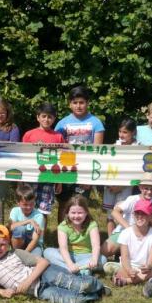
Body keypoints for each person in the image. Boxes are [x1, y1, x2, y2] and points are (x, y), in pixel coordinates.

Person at [0, 225, 110, 303]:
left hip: (45, 274)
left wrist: (27, 282)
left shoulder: (16, 253)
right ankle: (95, 294)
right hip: (39, 291)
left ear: (8, 244)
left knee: (82, 285)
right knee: (77, 301)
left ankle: (99, 286)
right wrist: (1, 292)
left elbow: (44, 262)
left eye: (3, 244)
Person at [54, 85, 105, 221]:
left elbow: (97, 152)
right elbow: (57, 149)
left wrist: (89, 176)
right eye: (75, 102)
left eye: (81, 102)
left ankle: (80, 233)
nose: (78, 106)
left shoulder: (96, 123)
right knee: (64, 204)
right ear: (69, 104)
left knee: (80, 205)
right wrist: (58, 177)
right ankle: (62, 232)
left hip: (84, 170)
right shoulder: (61, 124)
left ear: (87, 103)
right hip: (65, 169)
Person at [105, 199, 152, 287]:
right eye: (137, 213)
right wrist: (129, 270)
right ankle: (145, 277)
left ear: (150, 217)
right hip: (127, 266)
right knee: (107, 266)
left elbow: (151, 260)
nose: (139, 216)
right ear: (133, 215)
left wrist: (148, 266)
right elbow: (125, 257)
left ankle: (126, 280)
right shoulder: (126, 233)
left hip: (145, 269)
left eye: (144, 214)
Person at [43, 194, 107, 274]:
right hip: (69, 256)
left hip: (87, 255)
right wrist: (70, 264)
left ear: (86, 213)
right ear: (67, 213)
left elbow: (95, 245)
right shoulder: (63, 226)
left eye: (80, 213)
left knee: (103, 259)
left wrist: (94, 259)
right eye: (73, 213)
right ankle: (81, 270)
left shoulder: (92, 225)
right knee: (47, 252)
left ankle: (68, 269)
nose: (76, 216)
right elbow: (63, 248)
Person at [21, 102, 65, 218]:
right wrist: (20, 180)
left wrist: (59, 180)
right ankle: (27, 229)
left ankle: (41, 230)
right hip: (31, 177)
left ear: (54, 119)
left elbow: (60, 159)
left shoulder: (58, 137)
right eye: (44, 116)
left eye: (50, 117)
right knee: (27, 206)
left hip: (49, 178)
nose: (46, 119)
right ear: (38, 117)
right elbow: (23, 157)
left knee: (44, 210)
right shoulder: (29, 135)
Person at [106, 172, 152, 257]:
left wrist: (148, 220)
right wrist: (129, 229)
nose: (149, 192)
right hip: (125, 230)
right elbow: (115, 212)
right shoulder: (132, 199)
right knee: (107, 251)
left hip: (143, 232)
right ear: (140, 188)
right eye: (146, 188)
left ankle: (148, 253)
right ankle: (121, 251)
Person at [103, 118, 138, 235]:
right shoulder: (114, 146)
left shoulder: (138, 148)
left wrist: (121, 186)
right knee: (110, 214)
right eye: (120, 131)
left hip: (126, 185)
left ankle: (121, 240)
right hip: (111, 184)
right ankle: (110, 239)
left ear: (133, 132)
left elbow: (137, 170)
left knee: (122, 213)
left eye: (125, 132)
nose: (121, 135)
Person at [8, 183, 45, 256]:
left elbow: (35, 240)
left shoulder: (39, 216)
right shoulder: (15, 211)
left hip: (34, 245)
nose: (29, 207)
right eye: (25, 204)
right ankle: (16, 253)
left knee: (34, 258)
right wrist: (29, 221)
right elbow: (11, 227)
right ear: (18, 203)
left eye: (31, 204)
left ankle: (20, 256)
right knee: (19, 229)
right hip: (18, 243)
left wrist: (24, 254)